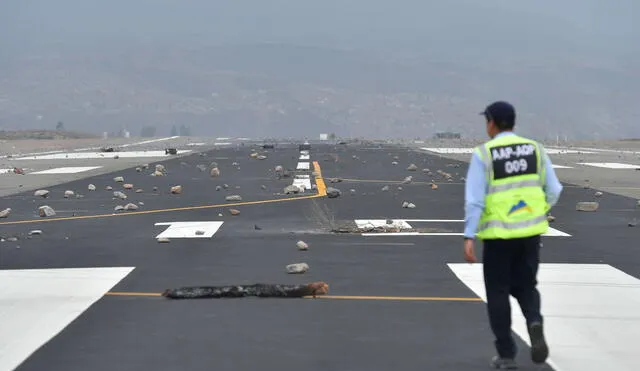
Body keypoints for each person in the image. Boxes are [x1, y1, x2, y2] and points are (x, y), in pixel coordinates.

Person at [463, 101, 563, 369]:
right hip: (530, 234)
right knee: (526, 286)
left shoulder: (484, 154)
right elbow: (554, 189)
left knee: (498, 292)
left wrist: (469, 236)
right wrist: (538, 211)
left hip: (498, 237)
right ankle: (534, 321)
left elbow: (475, 200)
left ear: (492, 123)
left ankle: (506, 354)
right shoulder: (535, 150)